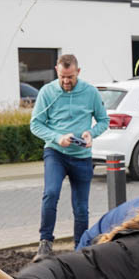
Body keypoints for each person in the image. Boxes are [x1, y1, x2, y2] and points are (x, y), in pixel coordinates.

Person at [29, 54, 108, 259]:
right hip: (56, 153)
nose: (66, 81)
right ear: (57, 70)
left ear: (78, 72)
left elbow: (103, 120)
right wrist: (57, 138)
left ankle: (80, 249)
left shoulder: (90, 92)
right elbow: (35, 124)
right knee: (51, 193)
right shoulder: (47, 92)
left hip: (82, 156)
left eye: (70, 77)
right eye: (62, 76)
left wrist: (91, 133)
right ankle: (45, 243)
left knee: (81, 207)